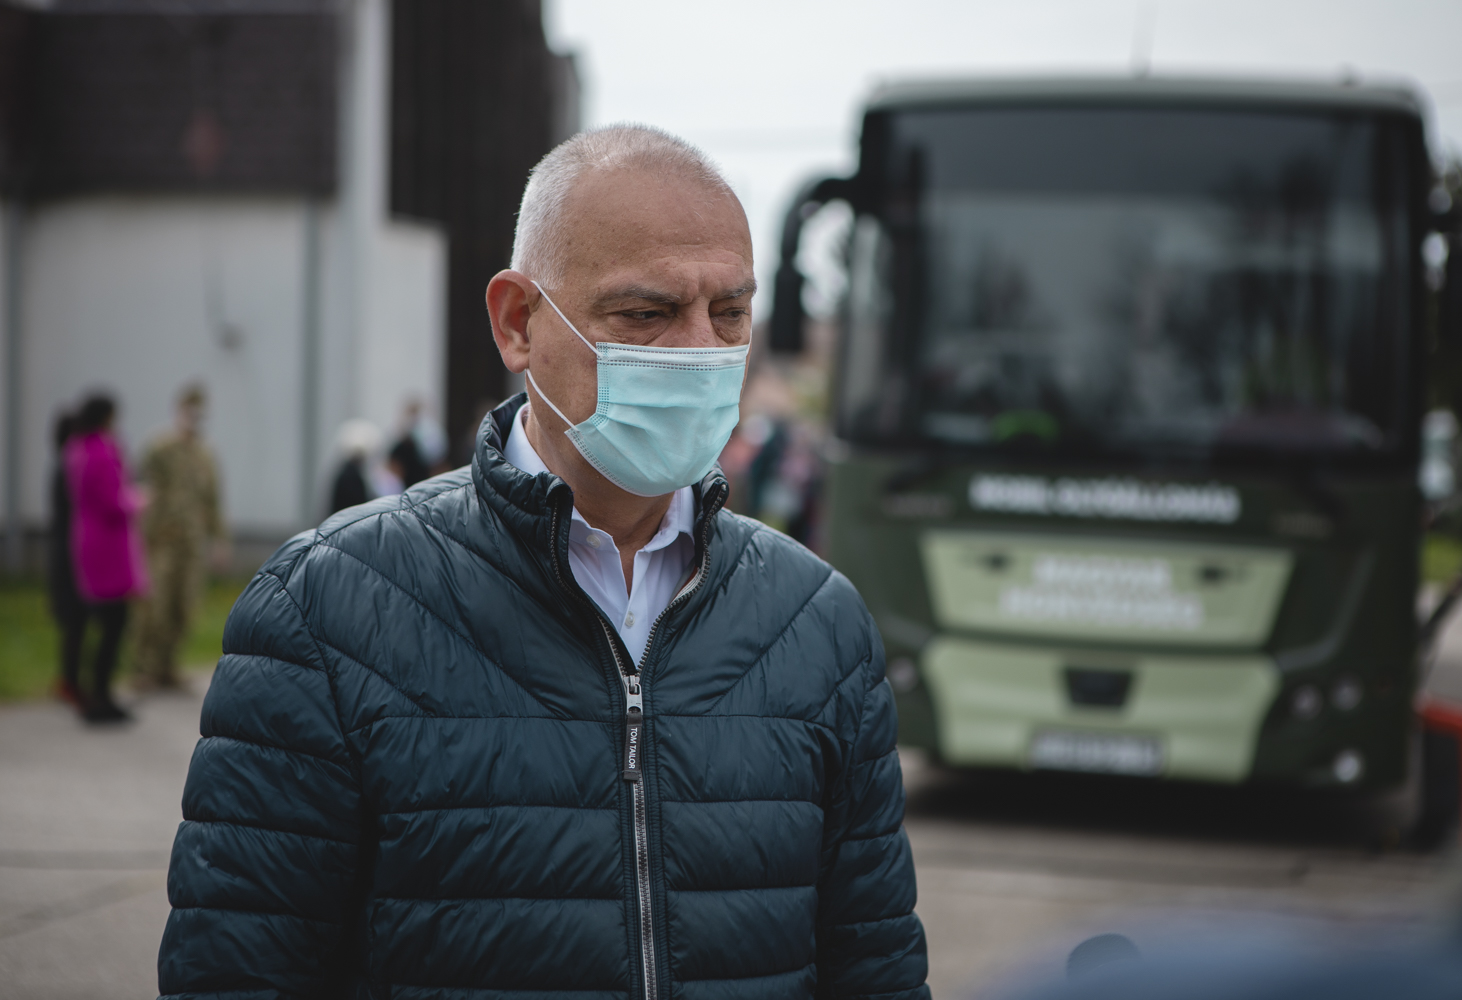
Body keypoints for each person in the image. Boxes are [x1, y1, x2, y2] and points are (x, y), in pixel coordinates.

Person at [158, 125, 929, 998]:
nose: (699, 351)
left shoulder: (819, 622)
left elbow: (876, 968)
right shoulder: (326, 611)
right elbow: (237, 970)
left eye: (730, 313)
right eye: (645, 314)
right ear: (518, 323)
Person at [133, 383, 226, 690]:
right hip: (162, 540)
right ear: (179, 411)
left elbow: (213, 500)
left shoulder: (205, 454)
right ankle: (145, 667)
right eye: (189, 411)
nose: (194, 419)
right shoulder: (160, 448)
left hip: (191, 543)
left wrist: (220, 540)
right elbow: (141, 490)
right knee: (155, 607)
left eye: (199, 413)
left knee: (184, 606)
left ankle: (168, 666)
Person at [64, 393, 148, 722]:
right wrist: (139, 500)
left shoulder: (76, 449)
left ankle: (92, 693)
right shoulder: (103, 450)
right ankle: (101, 697)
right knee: (114, 624)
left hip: (86, 538)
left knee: (97, 622)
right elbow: (114, 501)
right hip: (109, 544)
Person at [47, 411, 85, 707]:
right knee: (74, 621)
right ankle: (69, 682)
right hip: (69, 554)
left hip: (65, 551)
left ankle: (71, 680)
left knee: (75, 623)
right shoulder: (67, 470)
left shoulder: (62, 467)